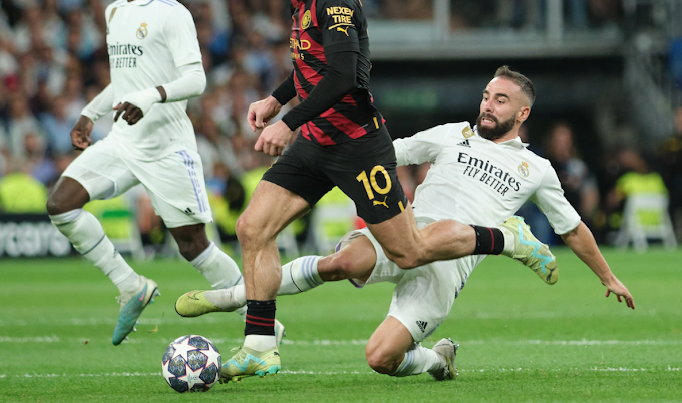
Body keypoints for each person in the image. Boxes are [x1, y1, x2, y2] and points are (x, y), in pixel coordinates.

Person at [215, 0, 556, 383]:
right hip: (317, 142)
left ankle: (507, 239)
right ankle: (259, 345)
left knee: (410, 252)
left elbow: (341, 78)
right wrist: (276, 98)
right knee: (253, 228)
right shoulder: (300, 0)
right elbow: (312, 67)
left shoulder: (334, 1)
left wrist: (287, 121)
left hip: (358, 146)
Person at [176, 66, 635, 382]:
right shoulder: (451, 135)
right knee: (343, 262)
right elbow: (384, 155)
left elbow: (573, 228)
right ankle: (237, 297)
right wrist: (327, 155)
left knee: (380, 358)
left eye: (501, 100)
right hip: (405, 231)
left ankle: (437, 362)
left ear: (523, 113)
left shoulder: (537, 169)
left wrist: (608, 276)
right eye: (486, 95)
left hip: (447, 265)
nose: (488, 105)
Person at [46, 0, 259, 346]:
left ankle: (262, 323)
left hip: (167, 148)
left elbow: (196, 79)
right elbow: (125, 81)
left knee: (194, 246)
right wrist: (90, 113)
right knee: (61, 205)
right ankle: (131, 286)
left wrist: (152, 97)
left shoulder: (173, 15)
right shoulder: (115, 11)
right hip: (123, 142)